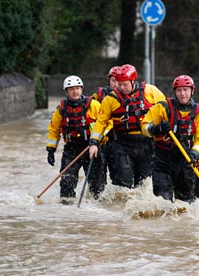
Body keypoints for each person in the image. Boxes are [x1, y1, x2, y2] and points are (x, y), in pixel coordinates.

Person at [88, 64, 166, 188]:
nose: (121, 87)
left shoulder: (151, 91)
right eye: (119, 84)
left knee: (144, 183)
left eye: (125, 84)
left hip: (146, 144)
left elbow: (165, 110)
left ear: (133, 81)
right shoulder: (110, 99)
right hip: (123, 145)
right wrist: (93, 143)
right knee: (123, 184)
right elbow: (101, 122)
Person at [141, 75, 199, 203]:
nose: (182, 94)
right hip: (163, 161)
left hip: (186, 161)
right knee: (163, 202)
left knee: (186, 204)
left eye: (185, 90)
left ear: (192, 91)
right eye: (179, 90)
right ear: (175, 92)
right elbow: (144, 128)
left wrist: (194, 153)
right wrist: (157, 128)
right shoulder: (163, 107)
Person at [46, 75, 103, 203]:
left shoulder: (93, 105)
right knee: (67, 181)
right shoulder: (61, 109)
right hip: (71, 149)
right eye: (71, 89)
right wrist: (51, 150)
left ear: (82, 89)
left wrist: (98, 140)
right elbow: (54, 129)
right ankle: (67, 207)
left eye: (78, 88)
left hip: (91, 148)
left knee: (97, 185)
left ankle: (96, 207)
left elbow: (105, 122)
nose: (75, 91)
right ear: (66, 91)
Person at [91, 66, 119, 187]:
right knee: (98, 173)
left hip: (119, 142)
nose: (117, 84)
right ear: (109, 81)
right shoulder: (99, 96)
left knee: (118, 173)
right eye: (113, 80)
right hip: (102, 142)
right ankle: (97, 197)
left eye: (119, 80)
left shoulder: (129, 97)